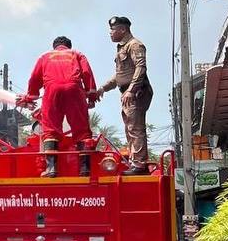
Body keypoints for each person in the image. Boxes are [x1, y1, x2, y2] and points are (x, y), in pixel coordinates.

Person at [22, 36, 97, 177]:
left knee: (50, 130)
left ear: (54, 46)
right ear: (68, 46)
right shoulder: (77, 54)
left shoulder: (45, 56)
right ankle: (85, 170)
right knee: (82, 131)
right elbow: (87, 73)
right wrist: (91, 96)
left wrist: (30, 96)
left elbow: (34, 78)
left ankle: (51, 169)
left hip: (51, 91)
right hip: (74, 90)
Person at [96, 16, 153, 174]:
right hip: (127, 93)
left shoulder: (135, 45)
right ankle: (135, 162)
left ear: (122, 29)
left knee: (135, 128)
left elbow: (141, 68)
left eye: (113, 30)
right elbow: (119, 76)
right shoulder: (122, 48)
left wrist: (131, 90)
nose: (110, 33)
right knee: (130, 128)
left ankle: (140, 165)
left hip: (137, 92)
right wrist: (103, 88)